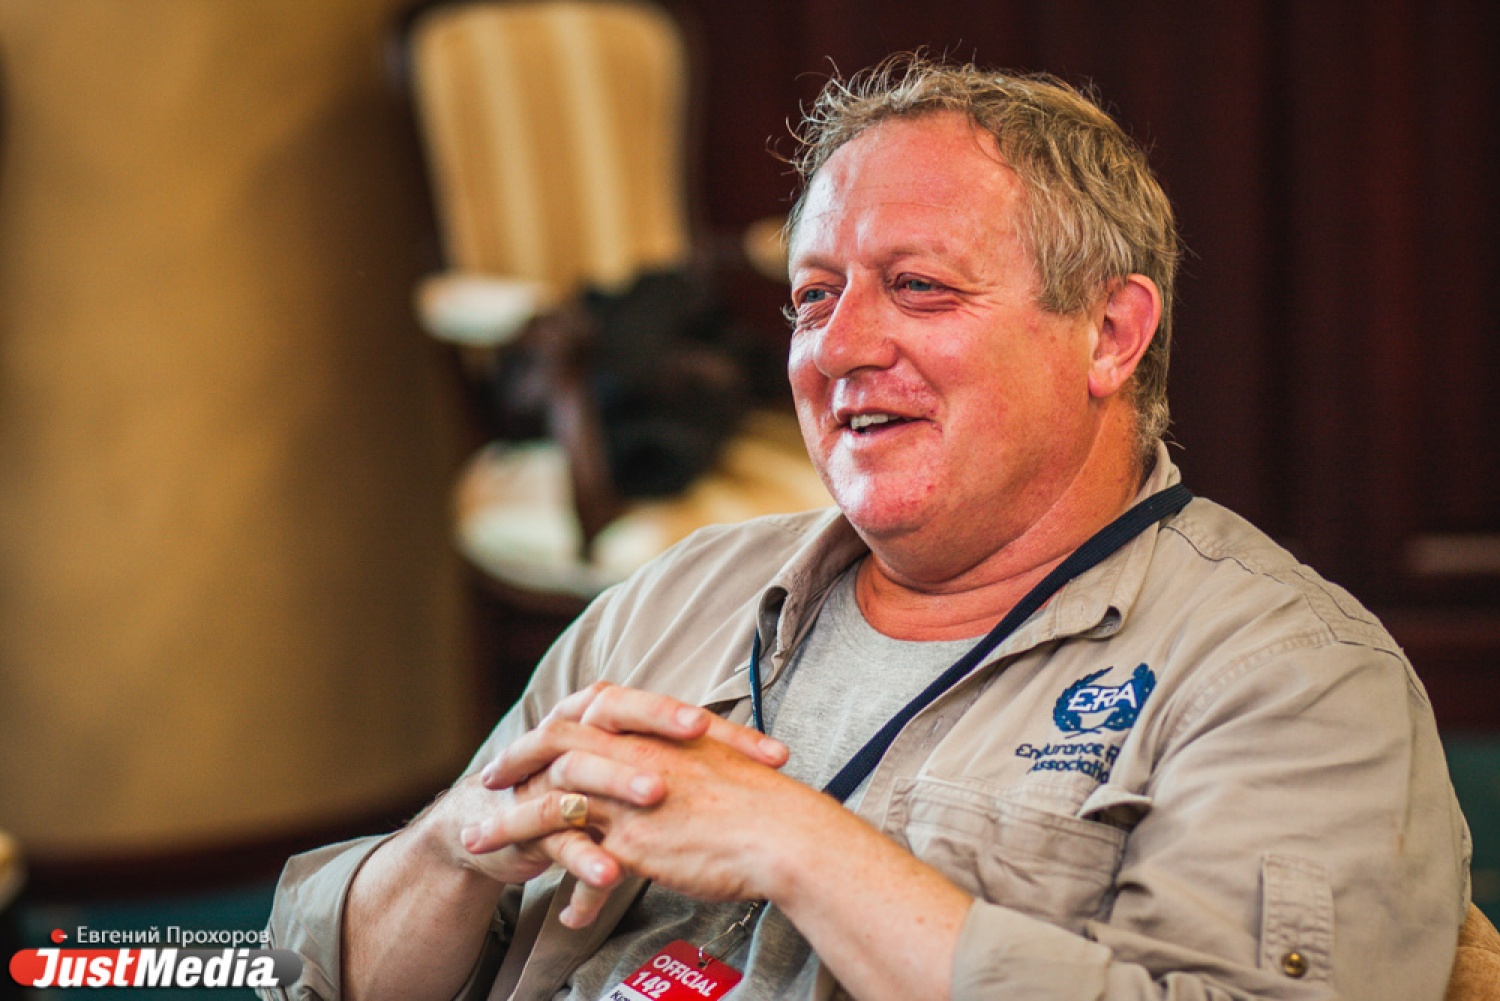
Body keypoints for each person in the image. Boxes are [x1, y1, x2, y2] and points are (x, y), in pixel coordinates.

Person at [263, 56, 1470, 1000]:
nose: (836, 348)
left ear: (1109, 333)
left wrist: (804, 848)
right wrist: (455, 850)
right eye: (813, 295)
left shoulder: (1289, 675)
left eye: (920, 286)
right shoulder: (676, 593)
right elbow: (318, 974)